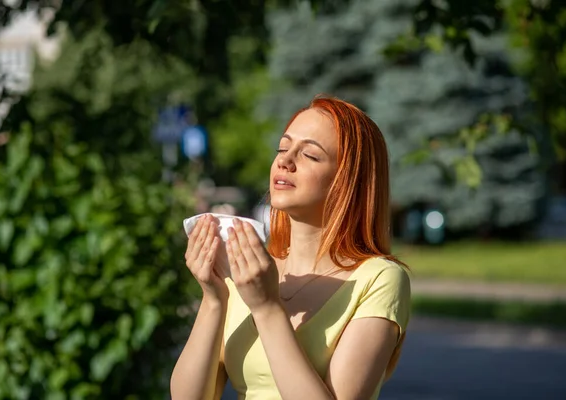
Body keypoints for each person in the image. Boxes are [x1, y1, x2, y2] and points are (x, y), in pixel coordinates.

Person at [171, 95, 411, 400]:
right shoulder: (251, 270)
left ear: (348, 180)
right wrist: (214, 297)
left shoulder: (380, 278)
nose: (285, 160)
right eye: (283, 149)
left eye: (309, 155)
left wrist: (267, 308)